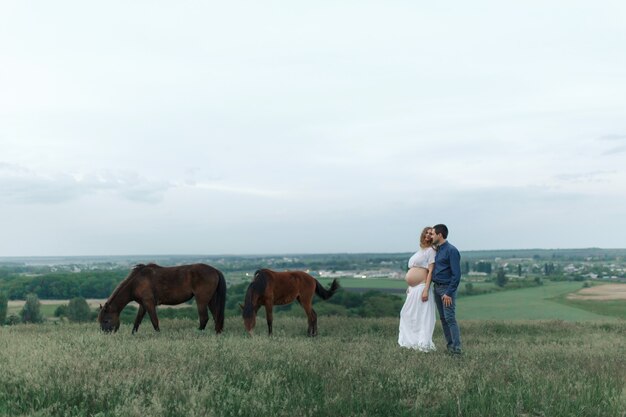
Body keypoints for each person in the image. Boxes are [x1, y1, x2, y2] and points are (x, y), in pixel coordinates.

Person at [398, 226, 437, 351]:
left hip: (422, 287)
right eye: (426, 232)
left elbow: (430, 271)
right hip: (413, 289)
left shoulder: (431, 251)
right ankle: (410, 343)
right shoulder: (421, 250)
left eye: (431, 233)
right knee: (407, 314)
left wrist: (426, 289)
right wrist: (410, 286)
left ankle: (422, 344)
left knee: (422, 317)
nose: (428, 235)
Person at [430, 224, 462, 354]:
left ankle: (457, 349)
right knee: (443, 319)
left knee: (450, 318)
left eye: (432, 234)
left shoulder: (451, 250)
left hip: (446, 290)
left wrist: (449, 293)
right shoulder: (438, 250)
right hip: (436, 288)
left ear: (439, 234)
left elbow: (457, 274)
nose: (431, 236)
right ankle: (450, 347)